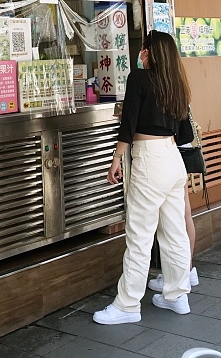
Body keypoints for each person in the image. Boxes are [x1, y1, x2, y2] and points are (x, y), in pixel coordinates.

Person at [93, 30, 194, 325]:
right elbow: (186, 133)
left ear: (149, 53)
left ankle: (127, 305)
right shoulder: (178, 84)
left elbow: (129, 122)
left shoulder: (139, 79)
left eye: (143, 48)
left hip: (150, 161)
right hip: (174, 160)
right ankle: (178, 296)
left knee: (139, 236)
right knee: (175, 233)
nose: (141, 53)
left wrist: (116, 159)